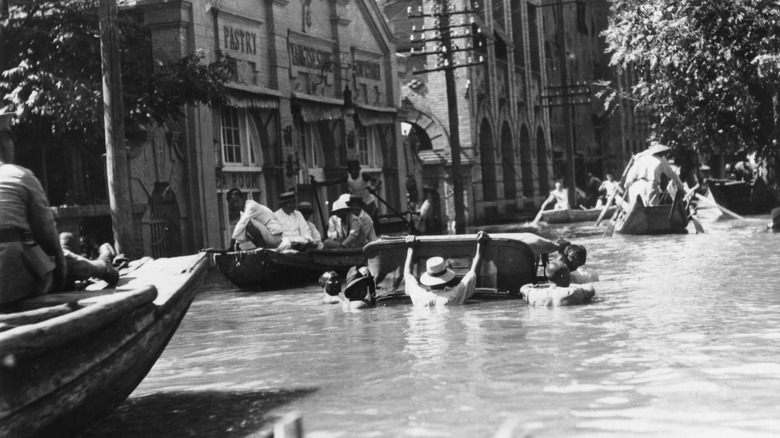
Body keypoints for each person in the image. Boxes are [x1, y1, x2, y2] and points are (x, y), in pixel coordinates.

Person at [0, 112, 68, 304]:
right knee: (55, 261)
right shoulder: (22, 176)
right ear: (7, 143)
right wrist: (60, 268)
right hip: (13, 272)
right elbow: (46, 233)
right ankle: (101, 267)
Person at [403, 231, 490, 308]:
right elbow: (472, 274)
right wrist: (480, 245)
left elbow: (407, 276)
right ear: (445, 280)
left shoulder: (419, 296)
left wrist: (410, 248)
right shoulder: (453, 296)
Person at [312, 160, 382, 223]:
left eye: (355, 169)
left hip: (369, 202)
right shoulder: (347, 177)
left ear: (358, 169)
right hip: (357, 204)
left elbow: (378, 181)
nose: (354, 172)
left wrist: (374, 188)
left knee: (371, 222)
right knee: (358, 222)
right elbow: (332, 182)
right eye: (352, 170)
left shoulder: (363, 175)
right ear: (349, 171)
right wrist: (318, 183)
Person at [624, 143, 687, 208]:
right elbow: (672, 174)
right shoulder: (662, 161)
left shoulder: (642, 159)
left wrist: (627, 185)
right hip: (651, 185)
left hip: (638, 185)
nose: (664, 155)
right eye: (663, 153)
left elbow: (631, 174)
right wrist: (681, 186)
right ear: (660, 153)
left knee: (636, 209)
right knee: (653, 209)